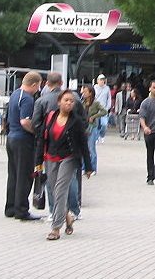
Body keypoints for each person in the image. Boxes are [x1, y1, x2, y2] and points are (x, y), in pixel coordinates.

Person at [34, 89, 94, 241]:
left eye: (72, 101)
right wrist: (38, 162)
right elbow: (42, 140)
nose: (69, 103)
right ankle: (67, 217)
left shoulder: (77, 121)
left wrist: (88, 166)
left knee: (60, 190)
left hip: (69, 158)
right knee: (54, 191)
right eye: (66, 100)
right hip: (50, 157)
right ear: (59, 102)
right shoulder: (50, 117)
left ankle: (55, 228)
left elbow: (83, 144)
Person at [31, 72, 84, 221]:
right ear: (61, 83)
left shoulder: (41, 101)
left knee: (51, 180)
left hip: (50, 147)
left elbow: (36, 123)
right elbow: (82, 120)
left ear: (47, 84)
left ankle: (54, 210)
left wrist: (44, 136)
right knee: (71, 179)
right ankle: (74, 210)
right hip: (70, 147)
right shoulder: (75, 99)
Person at [4, 71, 43, 221]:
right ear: (34, 84)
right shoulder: (27, 99)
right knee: (24, 175)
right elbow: (25, 121)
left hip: (11, 138)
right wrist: (36, 132)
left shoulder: (15, 94)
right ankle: (22, 210)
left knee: (13, 174)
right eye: (38, 86)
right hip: (23, 140)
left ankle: (10, 207)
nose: (38, 89)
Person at [81, 85, 107, 173]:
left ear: (90, 93)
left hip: (92, 126)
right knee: (84, 147)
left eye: (85, 92)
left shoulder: (95, 103)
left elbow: (104, 111)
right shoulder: (82, 102)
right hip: (84, 126)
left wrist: (94, 116)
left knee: (91, 147)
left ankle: (93, 168)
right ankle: (84, 167)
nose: (83, 93)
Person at [94, 74, 111, 142]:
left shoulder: (107, 88)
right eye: (100, 80)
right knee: (96, 125)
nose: (102, 81)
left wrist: (107, 107)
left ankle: (102, 135)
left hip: (104, 109)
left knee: (104, 124)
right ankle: (97, 137)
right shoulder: (94, 88)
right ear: (97, 80)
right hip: (96, 110)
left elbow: (109, 98)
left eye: (103, 80)